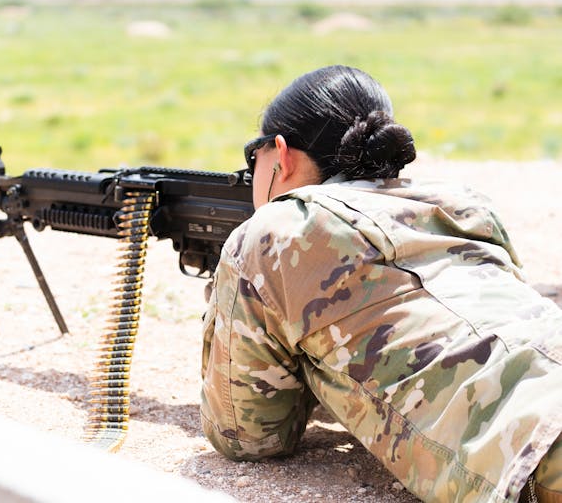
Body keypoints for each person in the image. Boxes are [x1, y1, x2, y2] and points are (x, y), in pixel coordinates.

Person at [200, 65, 562, 503]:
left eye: (252, 157)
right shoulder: (464, 205)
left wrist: (227, 305)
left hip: (542, 446)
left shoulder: (277, 231)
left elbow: (247, 436)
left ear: (281, 154)